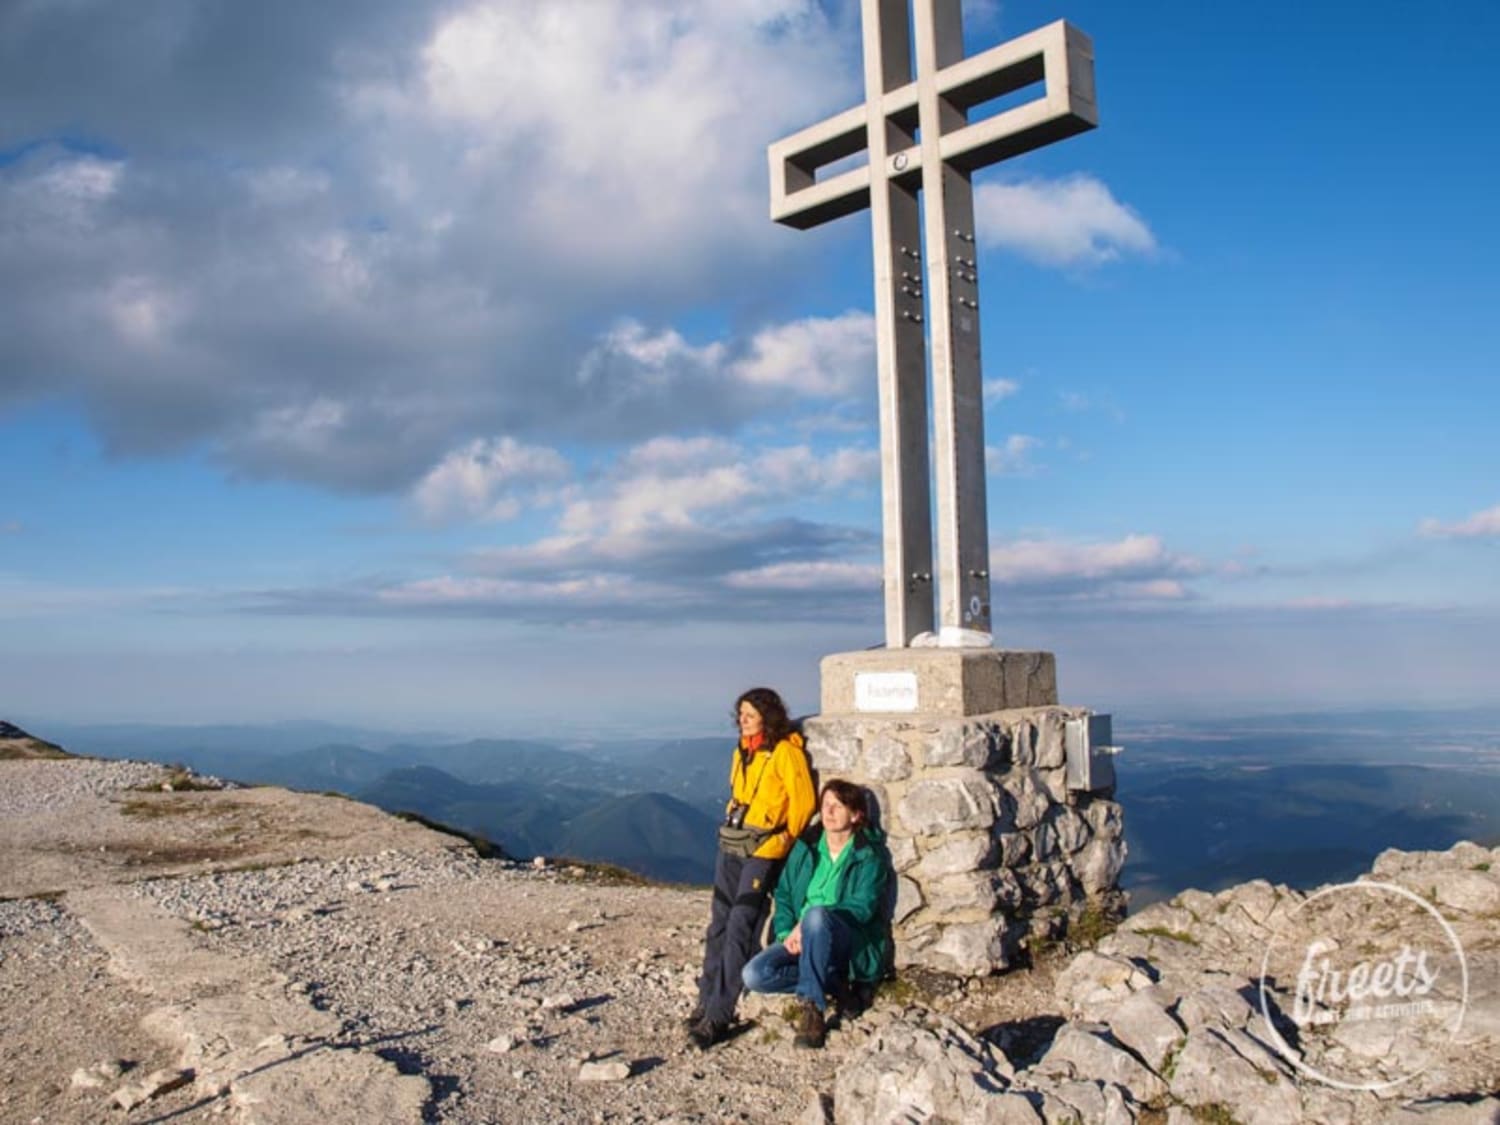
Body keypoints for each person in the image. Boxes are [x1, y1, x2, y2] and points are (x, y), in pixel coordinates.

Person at [687, 687, 816, 1050]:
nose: (742, 720)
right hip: (734, 842)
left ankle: (719, 1014)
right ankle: (705, 999)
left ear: (768, 716)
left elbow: (803, 803)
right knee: (719, 923)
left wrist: (782, 840)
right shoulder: (742, 752)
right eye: (740, 714)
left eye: (749, 714)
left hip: (764, 848)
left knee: (741, 925)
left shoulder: (786, 753)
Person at [740, 778, 891, 1049]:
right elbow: (784, 893)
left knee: (817, 915)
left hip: (846, 936)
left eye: (838, 806)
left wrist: (807, 924)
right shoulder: (807, 846)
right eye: (825, 805)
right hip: (801, 934)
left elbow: (863, 907)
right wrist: (787, 932)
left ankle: (812, 1009)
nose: (829, 812)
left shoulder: (868, 855)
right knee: (755, 974)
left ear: (856, 815)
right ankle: (833, 983)